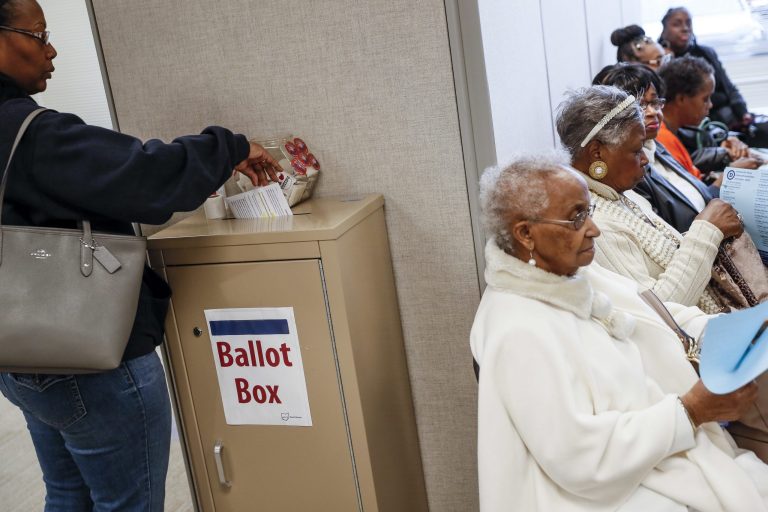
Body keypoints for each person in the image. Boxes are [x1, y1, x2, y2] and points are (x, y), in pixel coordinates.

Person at [0, 0, 281, 510]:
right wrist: (230, 146)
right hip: (90, 359)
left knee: (67, 493)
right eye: (38, 35)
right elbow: (144, 177)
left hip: (17, 355)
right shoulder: (31, 134)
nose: (51, 49)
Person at [472, 153, 768, 511]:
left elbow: (654, 312)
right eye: (576, 217)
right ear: (526, 234)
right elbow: (579, 460)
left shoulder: (572, 273)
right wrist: (690, 411)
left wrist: (740, 329)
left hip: (666, 451)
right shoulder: (518, 330)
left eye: (589, 211)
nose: (593, 229)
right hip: (618, 490)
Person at [556, 85, 744, 314]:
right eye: (636, 151)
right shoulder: (596, 224)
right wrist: (707, 231)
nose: (645, 159)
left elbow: (664, 253)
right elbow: (659, 312)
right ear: (597, 153)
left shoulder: (620, 195)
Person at [594, 62, 716, 232]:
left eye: (655, 102)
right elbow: (663, 235)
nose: (653, 112)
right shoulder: (625, 170)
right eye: (640, 105)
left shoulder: (655, 146)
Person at [660, 6, 768, 147]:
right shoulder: (661, 60)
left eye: (688, 23)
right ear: (664, 29)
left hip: (732, 115)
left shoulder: (706, 52)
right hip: (706, 123)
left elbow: (729, 87)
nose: (685, 28)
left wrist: (743, 113)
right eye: (677, 24)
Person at [657, 55, 761, 180]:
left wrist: (725, 146)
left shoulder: (673, 131)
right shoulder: (663, 139)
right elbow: (692, 195)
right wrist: (732, 173)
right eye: (705, 99)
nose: (710, 105)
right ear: (681, 99)